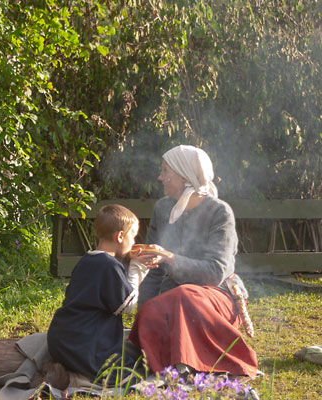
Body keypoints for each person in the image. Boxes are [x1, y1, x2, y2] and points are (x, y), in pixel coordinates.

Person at [128, 145, 258, 377]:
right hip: (174, 298)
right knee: (152, 310)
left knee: (184, 295)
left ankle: (187, 362)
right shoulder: (163, 208)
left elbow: (215, 272)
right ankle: (165, 358)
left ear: (185, 176)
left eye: (166, 171)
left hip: (216, 297)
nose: (160, 177)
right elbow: (154, 269)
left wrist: (170, 257)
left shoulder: (220, 212)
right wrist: (145, 311)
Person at [47, 204, 151, 386]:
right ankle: (76, 378)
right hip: (85, 342)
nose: (134, 242)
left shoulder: (87, 260)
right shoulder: (109, 265)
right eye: (132, 236)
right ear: (120, 236)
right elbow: (128, 306)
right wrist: (136, 269)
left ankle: (72, 371)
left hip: (63, 338)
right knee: (131, 373)